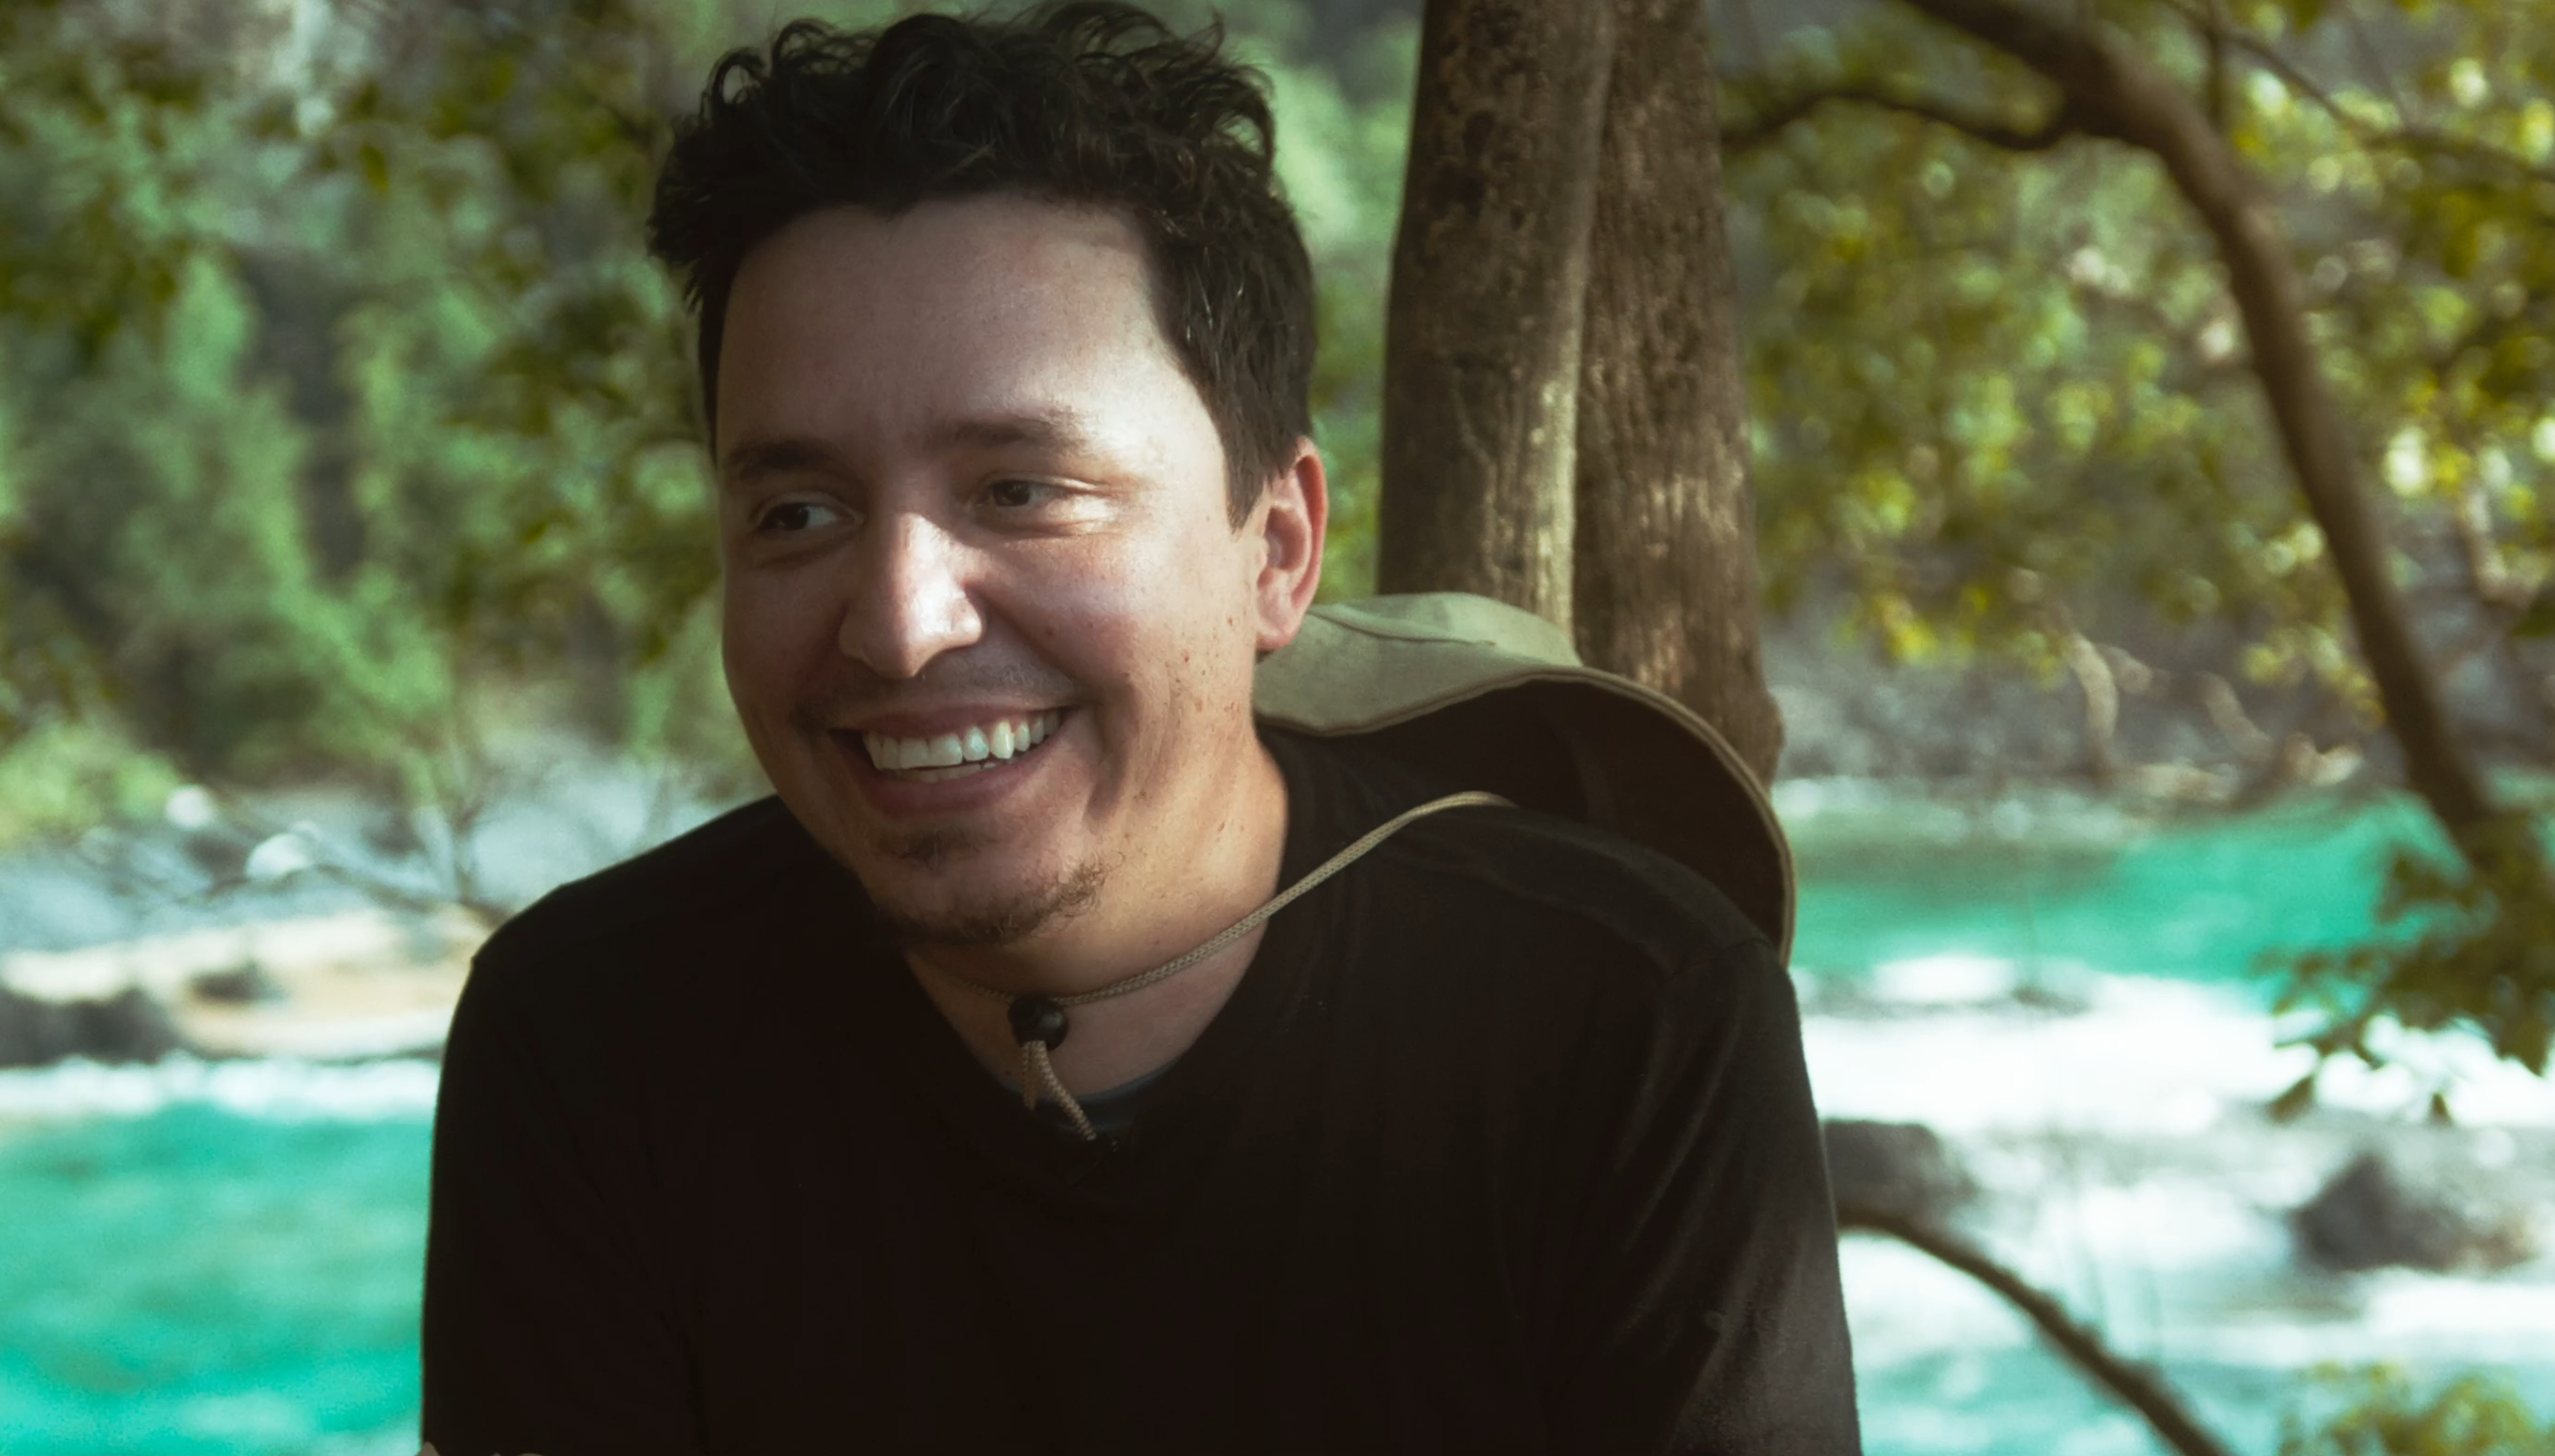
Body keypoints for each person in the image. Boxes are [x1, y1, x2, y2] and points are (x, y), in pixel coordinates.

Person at [419, 5, 1861, 1451]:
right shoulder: (597, 1041)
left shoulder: (1619, 1020)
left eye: (1022, 491)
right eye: (798, 513)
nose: (900, 625)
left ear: (1276, 548)